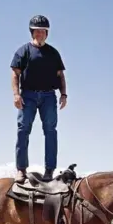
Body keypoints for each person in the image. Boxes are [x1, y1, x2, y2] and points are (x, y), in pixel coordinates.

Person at [10, 15, 67, 182]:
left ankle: (49, 170)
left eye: (43, 31)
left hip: (49, 95)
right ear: (32, 32)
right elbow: (15, 74)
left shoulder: (53, 53)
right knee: (23, 129)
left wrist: (63, 94)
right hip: (28, 95)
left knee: (50, 131)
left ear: (47, 34)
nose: (40, 34)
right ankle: (21, 169)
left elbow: (60, 75)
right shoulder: (23, 51)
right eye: (37, 31)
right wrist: (16, 94)